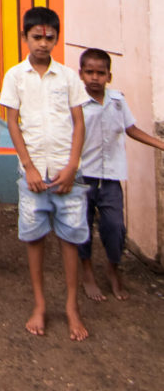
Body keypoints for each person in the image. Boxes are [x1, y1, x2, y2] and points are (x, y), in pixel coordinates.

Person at [0, 7, 89, 341]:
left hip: (67, 174)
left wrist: (72, 166)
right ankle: (39, 303)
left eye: (50, 37)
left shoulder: (67, 77)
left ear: (56, 38)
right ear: (25, 37)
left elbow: (79, 122)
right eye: (36, 37)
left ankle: (71, 306)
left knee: (70, 239)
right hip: (34, 174)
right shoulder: (15, 76)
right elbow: (12, 121)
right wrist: (29, 166)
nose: (43, 43)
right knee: (34, 238)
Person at [78, 47, 164, 302]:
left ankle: (113, 268)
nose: (95, 77)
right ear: (81, 74)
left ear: (109, 76)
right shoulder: (76, 104)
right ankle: (87, 271)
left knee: (114, 228)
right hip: (82, 177)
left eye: (100, 73)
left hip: (111, 179)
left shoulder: (117, 101)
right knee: (81, 227)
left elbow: (131, 129)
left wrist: (159, 143)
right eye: (90, 72)